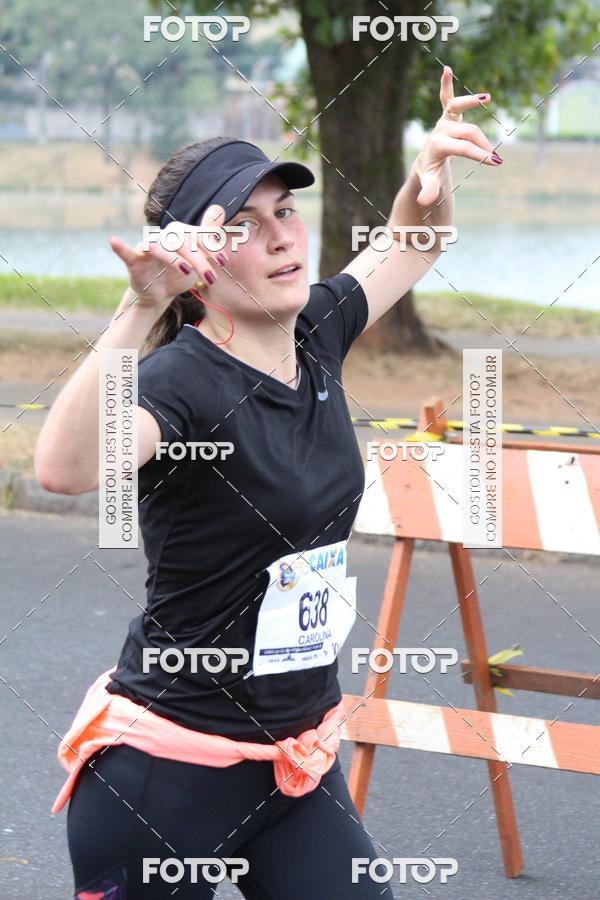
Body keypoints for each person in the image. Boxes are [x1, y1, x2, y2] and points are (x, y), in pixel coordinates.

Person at [35, 67, 499, 899]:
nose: (283, 236)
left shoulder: (317, 331)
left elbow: (413, 243)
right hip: (164, 776)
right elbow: (64, 468)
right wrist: (135, 312)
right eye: (245, 226)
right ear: (198, 262)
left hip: (291, 769)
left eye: (285, 211)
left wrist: (427, 173)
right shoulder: (179, 384)